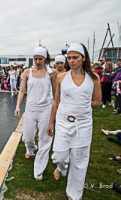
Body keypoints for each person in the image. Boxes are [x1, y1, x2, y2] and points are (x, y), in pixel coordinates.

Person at [47, 43, 101, 200]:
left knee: (79, 161)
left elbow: (97, 101)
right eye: (69, 57)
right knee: (59, 155)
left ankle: (74, 193)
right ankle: (61, 168)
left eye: (75, 57)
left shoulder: (93, 78)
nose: (71, 60)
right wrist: (51, 123)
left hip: (83, 124)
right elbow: (56, 101)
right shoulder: (61, 77)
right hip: (63, 122)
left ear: (83, 58)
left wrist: (81, 105)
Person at [15, 46, 57, 181]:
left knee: (45, 139)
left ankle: (39, 169)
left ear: (45, 59)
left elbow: (56, 94)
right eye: (35, 58)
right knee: (27, 138)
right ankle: (31, 149)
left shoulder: (51, 73)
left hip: (46, 108)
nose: (38, 61)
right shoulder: (27, 72)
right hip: (31, 108)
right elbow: (22, 91)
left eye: (40, 59)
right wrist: (17, 106)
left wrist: (54, 114)